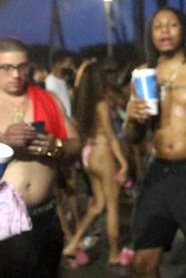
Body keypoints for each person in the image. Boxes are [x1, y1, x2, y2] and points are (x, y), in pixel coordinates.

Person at [123, 7, 186, 278]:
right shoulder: (142, 74)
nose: (164, 31)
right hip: (160, 172)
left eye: (172, 24)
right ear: (150, 35)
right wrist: (130, 117)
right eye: (158, 26)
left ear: (184, 30)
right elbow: (134, 136)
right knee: (143, 262)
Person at [0, 37, 80, 278]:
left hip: (44, 215)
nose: (15, 75)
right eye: (6, 68)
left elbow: (76, 144)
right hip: (3, 219)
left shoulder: (48, 99)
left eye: (21, 67)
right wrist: (3, 140)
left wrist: (55, 144)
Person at [62, 60, 129, 265]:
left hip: (88, 154)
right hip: (102, 152)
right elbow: (111, 136)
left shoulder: (81, 102)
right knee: (112, 205)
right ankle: (115, 253)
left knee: (98, 205)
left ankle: (73, 244)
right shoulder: (101, 103)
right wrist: (123, 162)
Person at [44, 49, 75, 119]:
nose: (71, 67)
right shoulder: (50, 83)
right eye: (69, 64)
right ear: (58, 64)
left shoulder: (63, 80)